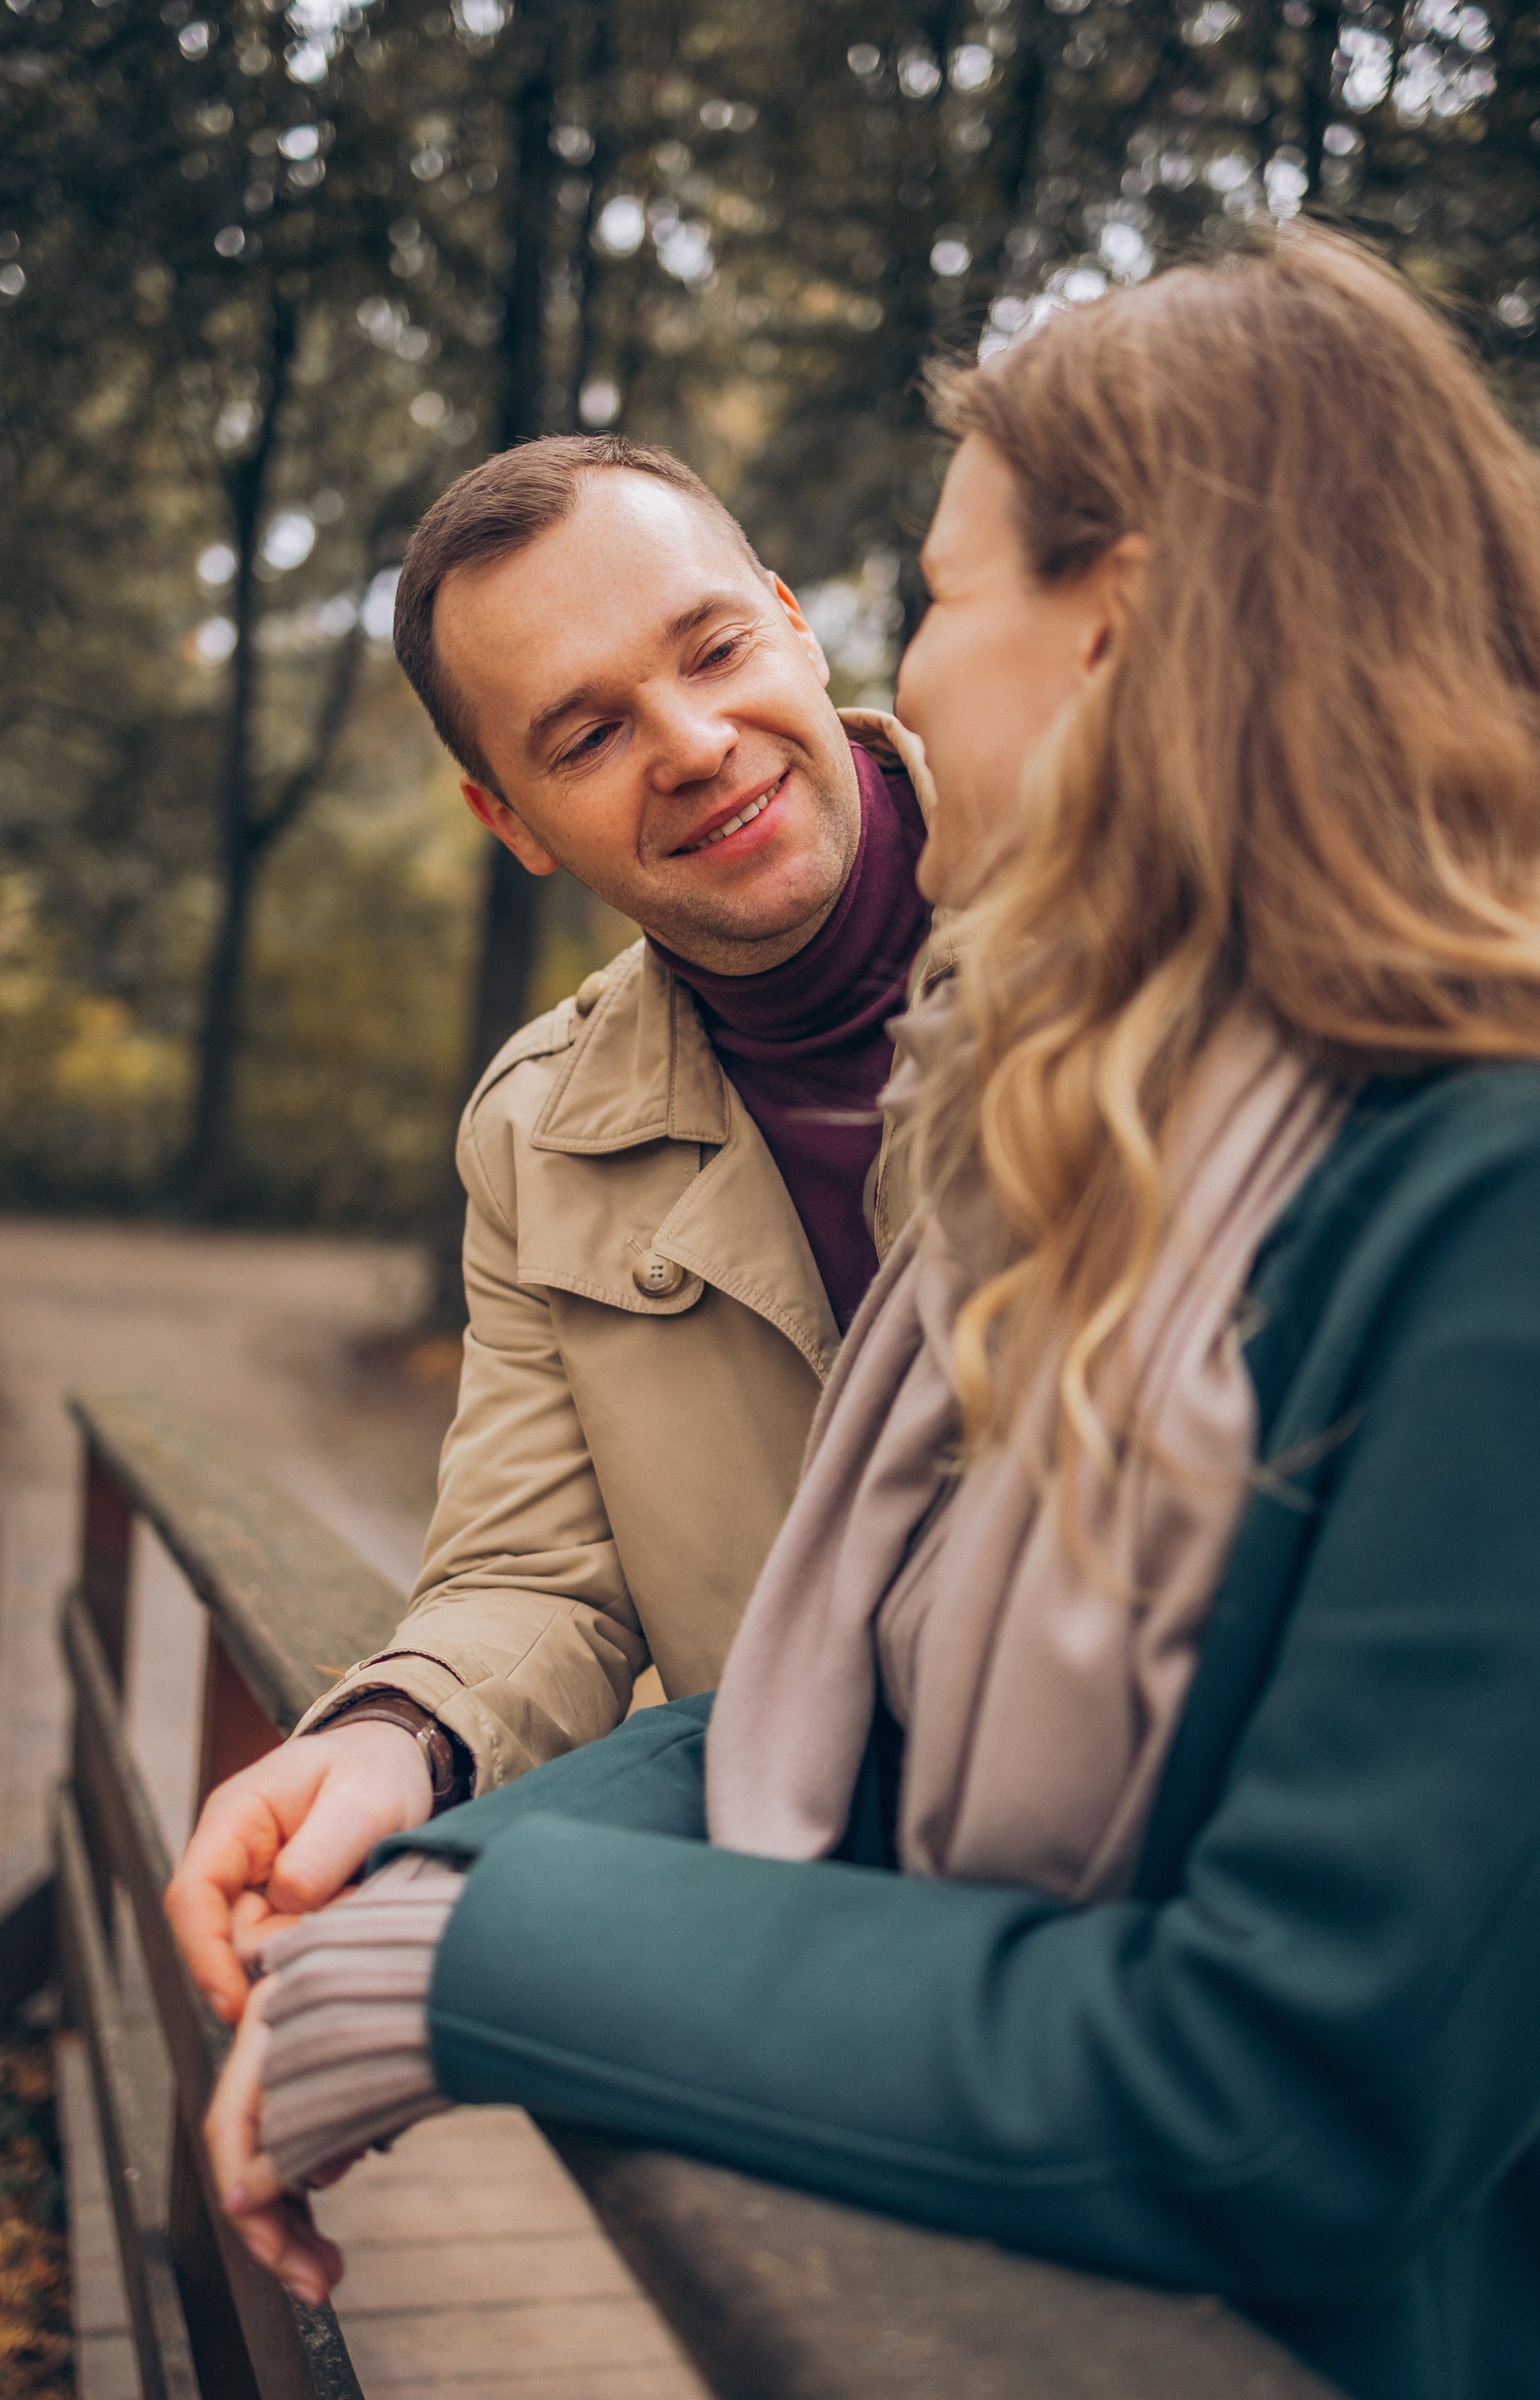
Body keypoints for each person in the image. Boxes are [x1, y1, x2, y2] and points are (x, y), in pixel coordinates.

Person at [208, 229, 1540, 2400]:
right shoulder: (1094, 1088)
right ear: (508, 821)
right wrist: (413, 1804)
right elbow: (791, 1662)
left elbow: (1305, 2067)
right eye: (581, 726)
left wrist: (468, 1948)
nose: (882, 694)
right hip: (884, 2127)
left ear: (1114, 621)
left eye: (909, 603)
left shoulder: (1391, 1144)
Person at [165, 437, 941, 2024]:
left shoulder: (1148, 913)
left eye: (714, 648)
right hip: (821, 1959)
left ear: (793, 621)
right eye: (584, 734)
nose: (693, 741)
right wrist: (391, 1737)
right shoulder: (537, 1130)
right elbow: (534, 1576)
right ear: (508, 818)